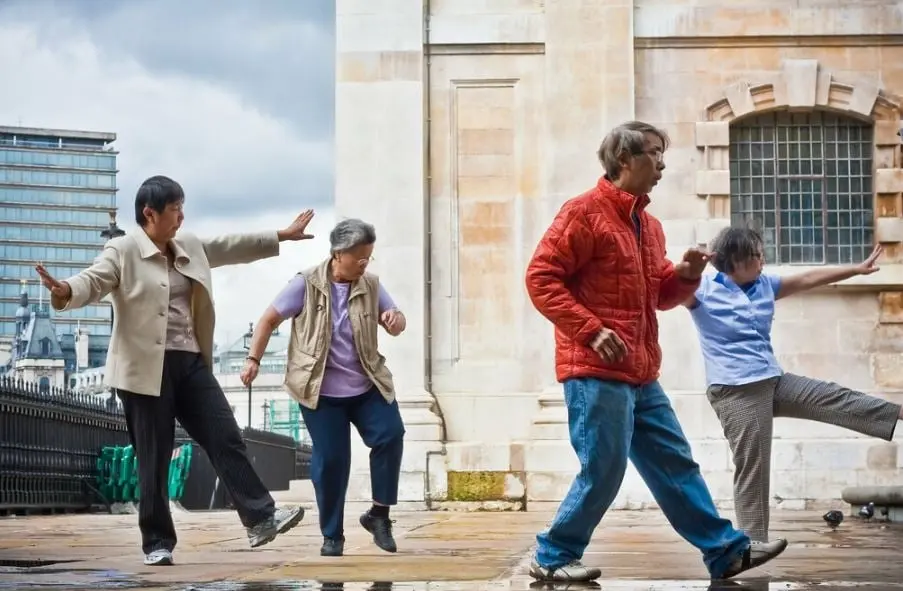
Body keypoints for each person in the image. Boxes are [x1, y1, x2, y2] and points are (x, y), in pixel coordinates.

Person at [523, 121, 789, 584]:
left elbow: (660, 295)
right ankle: (552, 554)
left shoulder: (649, 226)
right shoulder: (583, 213)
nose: (663, 163)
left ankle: (724, 551)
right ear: (624, 160)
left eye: (663, 153)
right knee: (603, 469)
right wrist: (589, 330)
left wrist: (684, 274)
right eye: (653, 153)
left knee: (674, 462)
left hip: (641, 371)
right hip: (594, 370)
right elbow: (540, 278)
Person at [35, 175, 312, 566]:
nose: (182, 215)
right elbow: (93, 281)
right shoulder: (123, 250)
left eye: (183, 207)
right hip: (143, 370)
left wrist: (280, 235)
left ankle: (260, 518)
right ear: (149, 213)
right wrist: (64, 290)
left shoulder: (190, 246)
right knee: (154, 456)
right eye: (175, 208)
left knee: (225, 436)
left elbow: (231, 246)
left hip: (191, 362)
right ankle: (157, 542)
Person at [684, 225, 903, 543]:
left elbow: (808, 279)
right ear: (734, 261)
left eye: (762, 255)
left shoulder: (764, 285)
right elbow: (668, 292)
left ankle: (896, 413)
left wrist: (856, 269)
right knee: (754, 464)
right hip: (736, 391)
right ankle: (752, 544)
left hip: (772, 380)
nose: (762, 261)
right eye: (756, 256)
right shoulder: (703, 290)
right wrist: (687, 270)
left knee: (830, 396)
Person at [241, 218, 406, 558]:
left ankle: (379, 515)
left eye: (368, 257)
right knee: (332, 460)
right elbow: (268, 319)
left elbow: (396, 318)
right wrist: (253, 359)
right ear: (337, 254)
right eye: (359, 257)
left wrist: (394, 320)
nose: (364, 263)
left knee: (391, 434)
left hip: (366, 384)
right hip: (319, 390)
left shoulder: (370, 284)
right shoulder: (305, 284)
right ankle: (333, 535)